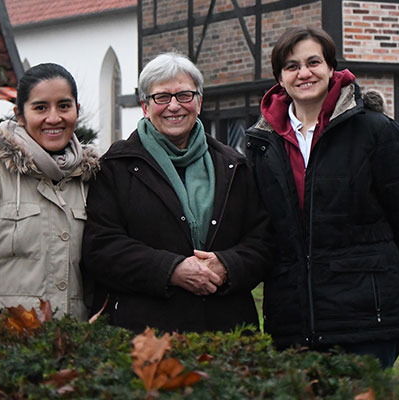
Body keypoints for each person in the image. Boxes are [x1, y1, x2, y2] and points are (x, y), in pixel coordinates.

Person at [245, 26, 399, 368]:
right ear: (279, 79)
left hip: (364, 320)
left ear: (332, 69)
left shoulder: (376, 131)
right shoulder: (262, 143)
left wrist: (380, 287)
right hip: (292, 321)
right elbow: (265, 229)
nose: (304, 73)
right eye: (292, 66)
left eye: (314, 62)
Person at [81, 52, 271, 333]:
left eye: (184, 95)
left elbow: (263, 241)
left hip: (227, 334)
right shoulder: (117, 166)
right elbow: (102, 248)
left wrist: (227, 265)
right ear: (145, 106)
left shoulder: (233, 165)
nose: (174, 106)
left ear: (199, 102)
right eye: (161, 97)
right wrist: (171, 270)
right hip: (145, 336)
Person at [0, 63, 100, 319]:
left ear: (77, 111)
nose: (54, 118)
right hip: (1, 348)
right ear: (20, 114)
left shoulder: (89, 181)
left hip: (71, 348)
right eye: (40, 108)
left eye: (64, 105)